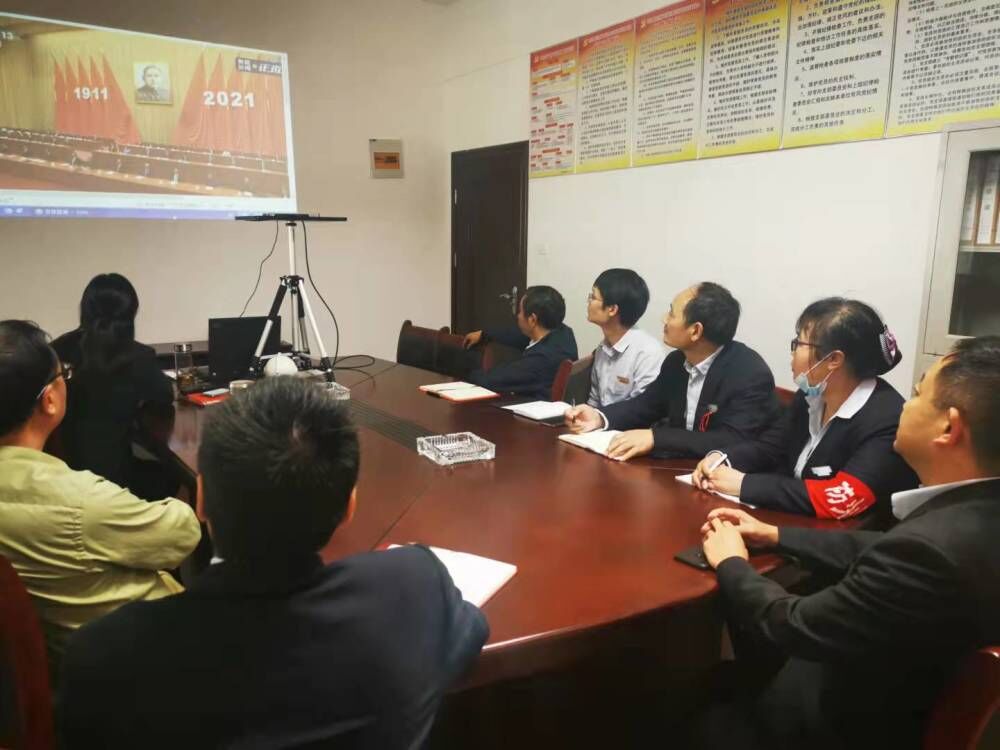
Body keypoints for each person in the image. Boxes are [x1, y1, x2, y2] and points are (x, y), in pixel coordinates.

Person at [59, 377, 489, 749]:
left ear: (201, 500)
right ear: (349, 506)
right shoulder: (413, 587)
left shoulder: (103, 658)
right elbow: (469, 630)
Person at [695, 335, 1000, 750]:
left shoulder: (929, 550)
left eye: (917, 395)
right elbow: (882, 547)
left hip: (837, 724)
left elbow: (793, 624)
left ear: (949, 427)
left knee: (687, 702)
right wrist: (777, 535)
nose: (904, 405)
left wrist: (731, 562)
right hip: (906, 691)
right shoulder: (971, 517)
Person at [0, 320, 200, 669]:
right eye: (63, 374)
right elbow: (181, 535)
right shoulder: (78, 501)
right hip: (144, 658)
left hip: (70, 657)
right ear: (50, 399)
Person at [693, 298, 918, 520]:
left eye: (799, 344)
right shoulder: (812, 395)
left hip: (849, 535)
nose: (793, 353)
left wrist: (744, 484)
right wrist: (722, 459)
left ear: (833, 359)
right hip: (792, 521)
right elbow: (770, 447)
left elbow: (840, 498)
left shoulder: (886, 419)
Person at [564, 282, 776, 461]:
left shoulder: (749, 373)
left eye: (672, 314)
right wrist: (599, 417)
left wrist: (655, 438)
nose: (664, 319)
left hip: (723, 479)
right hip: (677, 470)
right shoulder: (676, 362)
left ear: (695, 330)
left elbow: (731, 439)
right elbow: (645, 405)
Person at [52, 273, 177, 499]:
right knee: (171, 475)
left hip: (62, 479)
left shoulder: (57, 350)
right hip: (116, 484)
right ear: (131, 313)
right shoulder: (139, 356)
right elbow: (165, 395)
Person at [464, 285, 578, 400]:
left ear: (532, 320)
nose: (518, 316)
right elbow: (516, 335)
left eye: (520, 311)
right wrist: (485, 334)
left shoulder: (540, 360)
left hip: (531, 408)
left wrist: (465, 372)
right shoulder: (564, 333)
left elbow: (490, 380)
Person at [584, 268, 665, 407]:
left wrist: (598, 417)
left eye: (593, 297)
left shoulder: (648, 354)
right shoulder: (602, 349)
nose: (589, 301)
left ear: (612, 309)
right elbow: (594, 401)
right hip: (599, 419)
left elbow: (642, 410)